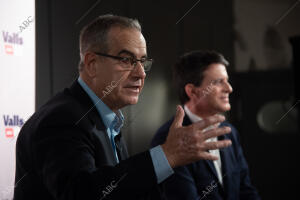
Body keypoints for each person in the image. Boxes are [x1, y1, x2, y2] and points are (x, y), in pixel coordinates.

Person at [13, 15, 232, 200]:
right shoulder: (64, 118)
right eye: (126, 60)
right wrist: (165, 156)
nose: (141, 73)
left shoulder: (107, 118)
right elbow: (80, 193)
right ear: (92, 64)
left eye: (143, 61)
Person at [151, 50, 261, 200]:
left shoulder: (230, 132)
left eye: (226, 80)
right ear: (192, 91)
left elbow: (246, 190)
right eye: (218, 82)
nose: (229, 88)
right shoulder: (168, 139)